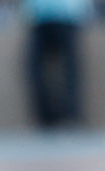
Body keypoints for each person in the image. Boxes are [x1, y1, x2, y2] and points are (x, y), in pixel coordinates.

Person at [24, 0, 92, 128]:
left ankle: (70, 115)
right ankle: (48, 117)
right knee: (34, 69)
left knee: (71, 70)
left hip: (66, 17)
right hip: (41, 18)